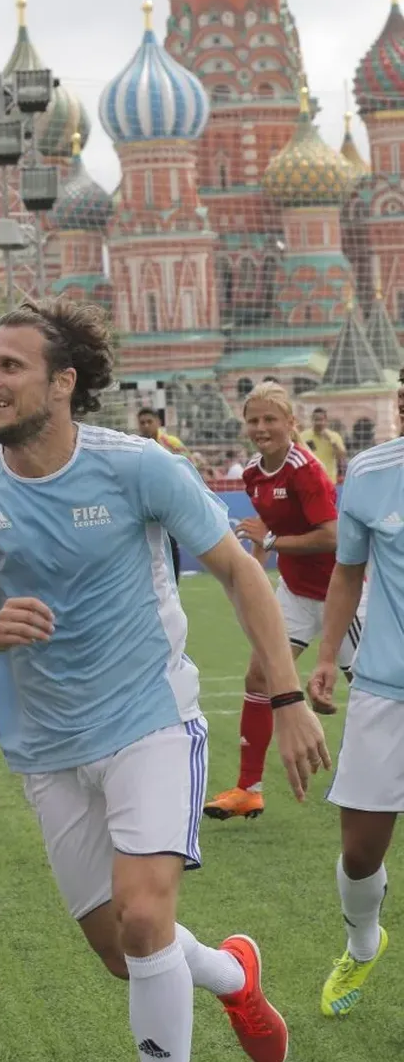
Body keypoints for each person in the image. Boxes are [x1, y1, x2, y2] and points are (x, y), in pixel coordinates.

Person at [0, 297, 328, 1062]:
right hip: (43, 748)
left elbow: (239, 570)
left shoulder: (139, 466)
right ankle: (231, 975)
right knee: (122, 952)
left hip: (150, 719)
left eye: (11, 366)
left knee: (144, 922)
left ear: (63, 384)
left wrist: (288, 695)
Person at [204, 383, 359, 823]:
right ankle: (248, 789)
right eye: (253, 420)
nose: (261, 428)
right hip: (293, 592)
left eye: (271, 419)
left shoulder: (306, 471)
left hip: (337, 594)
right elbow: (264, 536)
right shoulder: (253, 473)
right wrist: (252, 572)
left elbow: (332, 536)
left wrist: (270, 541)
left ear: (292, 423)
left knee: (371, 688)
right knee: (258, 675)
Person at [306, 421, 403, 1018]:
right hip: (385, 689)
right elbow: (347, 572)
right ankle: (364, 941)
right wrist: (324, 657)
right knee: (361, 850)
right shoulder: (370, 471)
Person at [137, 407, 188, 581]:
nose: (145, 426)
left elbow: (189, 465)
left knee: (171, 543)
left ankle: (175, 583)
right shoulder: (134, 444)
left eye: (149, 421)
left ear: (158, 422)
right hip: (144, 502)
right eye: (142, 422)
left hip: (169, 500)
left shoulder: (170, 442)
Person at [303, 406, 347, 484]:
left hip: (328, 480)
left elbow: (341, 456)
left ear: (326, 421)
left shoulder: (334, 436)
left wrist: (331, 441)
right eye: (316, 420)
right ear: (312, 420)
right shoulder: (303, 436)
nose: (319, 423)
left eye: (321, 420)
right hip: (309, 480)